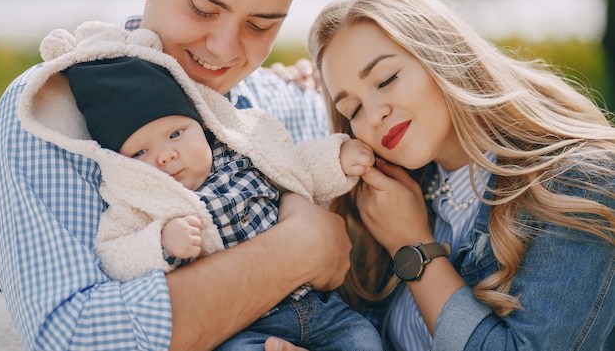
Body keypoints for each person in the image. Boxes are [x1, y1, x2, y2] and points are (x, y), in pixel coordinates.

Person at [0, 0, 355, 350]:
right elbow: (74, 336)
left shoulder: (281, 100)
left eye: (261, 25)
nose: (225, 50)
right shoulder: (46, 114)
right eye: (203, 9)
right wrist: (298, 251)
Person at [296, 0, 614, 351]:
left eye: (386, 79)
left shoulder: (579, 182)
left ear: (441, 55)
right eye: (352, 109)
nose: (375, 115)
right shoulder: (384, 204)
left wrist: (412, 246)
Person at [34, 22, 381, 351]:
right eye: (140, 151)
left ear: (202, 124)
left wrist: (337, 157)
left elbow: (297, 166)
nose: (166, 155)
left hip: (315, 305)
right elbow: (114, 252)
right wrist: (160, 242)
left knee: (362, 337)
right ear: (122, 162)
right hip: (243, 327)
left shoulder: (244, 153)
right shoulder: (140, 200)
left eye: (175, 134)